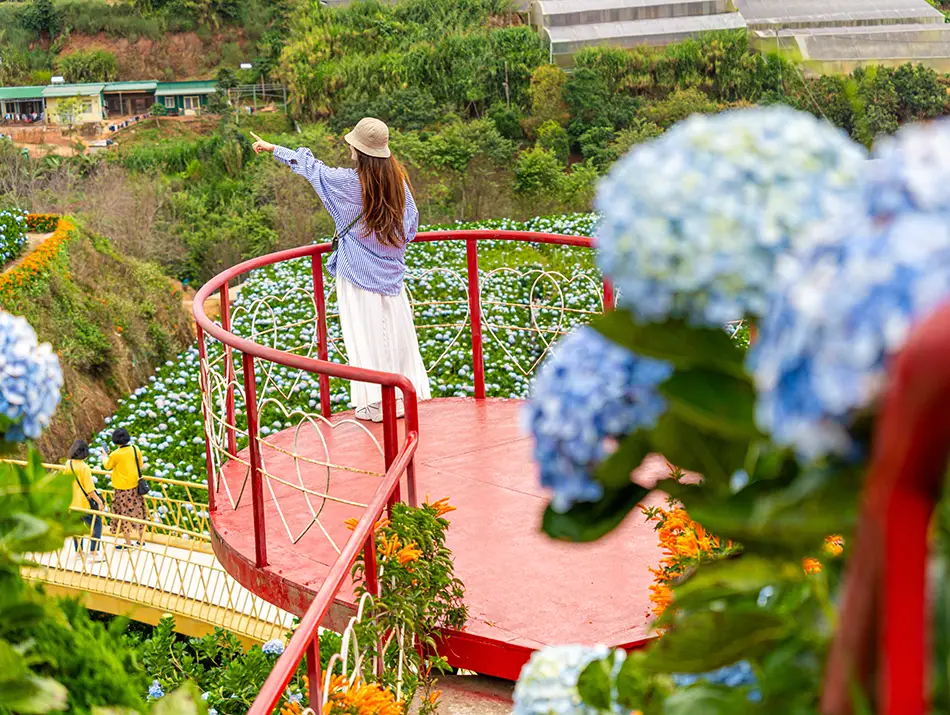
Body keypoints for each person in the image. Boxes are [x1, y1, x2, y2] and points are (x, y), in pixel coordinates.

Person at [251, 118, 432, 422]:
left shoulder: (347, 183)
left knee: (364, 338)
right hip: (391, 276)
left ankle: (375, 403)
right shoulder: (398, 184)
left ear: (358, 150)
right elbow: (410, 226)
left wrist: (272, 148)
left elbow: (310, 168)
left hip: (358, 276)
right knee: (397, 337)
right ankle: (400, 398)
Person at [102, 428, 146, 548]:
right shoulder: (135, 449)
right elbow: (140, 465)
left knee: (123, 516)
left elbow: (107, 466)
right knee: (139, 513)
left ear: (115, 441)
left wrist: (105, 455)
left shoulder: (115, 454)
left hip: (121, 490)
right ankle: (141, 541)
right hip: (135, 488)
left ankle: (128, 543)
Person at [67, 440, 104, 560]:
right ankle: (93, 552)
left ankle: (78, 552)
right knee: (96, 524)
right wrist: (99, 502)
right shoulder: (84, 467)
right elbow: (90, 490)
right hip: (84, 504)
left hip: (72, 502)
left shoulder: (69, 464)